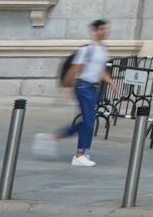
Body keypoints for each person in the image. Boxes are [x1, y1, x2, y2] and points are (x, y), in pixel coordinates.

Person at [34, 19, 114, 166]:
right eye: (102, 29)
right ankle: (79, 154)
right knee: (89, 122)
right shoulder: (86, 49)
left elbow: (100, 69)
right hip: (83, 87)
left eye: (106, 29)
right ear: (95, 31)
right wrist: (67, 87)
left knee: (86, 122)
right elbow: (75, 69)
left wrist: (109, 81)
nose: (105, 31)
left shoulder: (103, 50)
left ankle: (52, 137)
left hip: (92, 88)